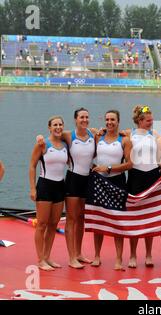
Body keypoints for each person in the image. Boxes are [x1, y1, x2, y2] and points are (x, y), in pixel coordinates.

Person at [37, 108, 98, 269]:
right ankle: (71, 258)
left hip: (88, 179)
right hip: (73, 180)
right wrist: (40, 137)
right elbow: (52, 135)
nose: (84, 119)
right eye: (81, 117)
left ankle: (79, 253)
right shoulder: (68, 135)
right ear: (75, 120)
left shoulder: (94, 134)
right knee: (71, 218)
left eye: (86, 116)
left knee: (82, 218)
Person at [126, 106, 161, 268]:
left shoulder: (155, 135)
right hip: (136, 177)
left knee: (150, 216)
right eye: (148, 121)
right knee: (135, 217)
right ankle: (132, 255)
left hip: (153, 176)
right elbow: (109, 135)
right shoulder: (129, 134)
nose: (151, 123)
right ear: (139, 121)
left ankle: (149, 254)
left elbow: (159, 158)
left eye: (152, 120)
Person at [91, 110, 133, 270]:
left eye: (113, 120)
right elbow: (88, 154)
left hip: (117, 182)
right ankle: (96, 256)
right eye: (107, 119)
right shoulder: (98, 137)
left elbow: (130, 164)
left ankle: (118, 259)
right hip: (99, 182)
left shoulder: (125, 140)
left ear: (118, 121)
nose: (109, 122)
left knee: (117, 222)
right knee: (99, 220)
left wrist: (109, 168)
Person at [29, 116, 68, 271]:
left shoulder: (65, 144)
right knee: (42, 224)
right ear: (49, 128)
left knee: (53, 224)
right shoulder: (42, 144)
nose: (58, 127)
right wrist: (33, 188)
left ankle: (47, 257)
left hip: (60, 186)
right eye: (54, 125)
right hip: (45, 186)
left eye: (60, 124)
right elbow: (32, 166)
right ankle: (40, 259)